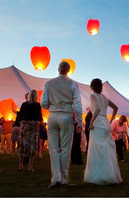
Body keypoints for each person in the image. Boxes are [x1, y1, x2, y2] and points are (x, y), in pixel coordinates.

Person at [41, 61, 82, 189]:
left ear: (58, 69)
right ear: (68, 71)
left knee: (53, 149)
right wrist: (80, 122)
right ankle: (63, 179)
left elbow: (43, 103)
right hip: (66, 116)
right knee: (65, 148)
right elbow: (78, 105)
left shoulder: (49, 83)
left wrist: (52, 107)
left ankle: (55, 179)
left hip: (53, 116)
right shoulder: (72, 84)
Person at [84, 78, 123, 185]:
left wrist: (91, 123)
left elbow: (97, 110)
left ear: (92, 86)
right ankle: (110, 174)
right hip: (105, 123)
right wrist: (110, 120)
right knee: (106, 150)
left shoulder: (93, 96)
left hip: (98, 124)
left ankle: (99, 175)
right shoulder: (104, 97)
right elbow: (115, 108)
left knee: (97, 150)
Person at [18, 90, 43, 171]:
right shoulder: (38, 105)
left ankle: (20, 165)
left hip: (24, 126)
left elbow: (20, 116)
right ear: (36, 96)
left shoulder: (24, 104)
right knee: (32, 145)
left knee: (22, 145)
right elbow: (39, 117)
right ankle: (30, 166)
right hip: (33, 126)